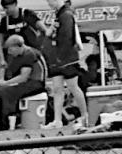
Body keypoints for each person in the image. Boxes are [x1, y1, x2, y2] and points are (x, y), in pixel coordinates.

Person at [43, 0, 89, 129]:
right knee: (57, 88)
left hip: (68, 58)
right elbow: (52, 35)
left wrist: (61, 57)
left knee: (73, 86)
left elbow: (67, 37)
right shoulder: (58, 15)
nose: (49, 4)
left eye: (50, 1)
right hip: (57, 58)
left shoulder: (67, 14)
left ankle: (85, 116)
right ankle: (57, 120)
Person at [0, 34, 48, 130]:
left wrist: (5, 83)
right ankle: (3, 118)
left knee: (4, 92)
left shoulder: (29, 54)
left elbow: (23, 77)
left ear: (18, 47)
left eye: (11, 49)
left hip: (36, 83)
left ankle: (7, 121)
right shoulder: (20, 55)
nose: (9, 52)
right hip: (29, 81)